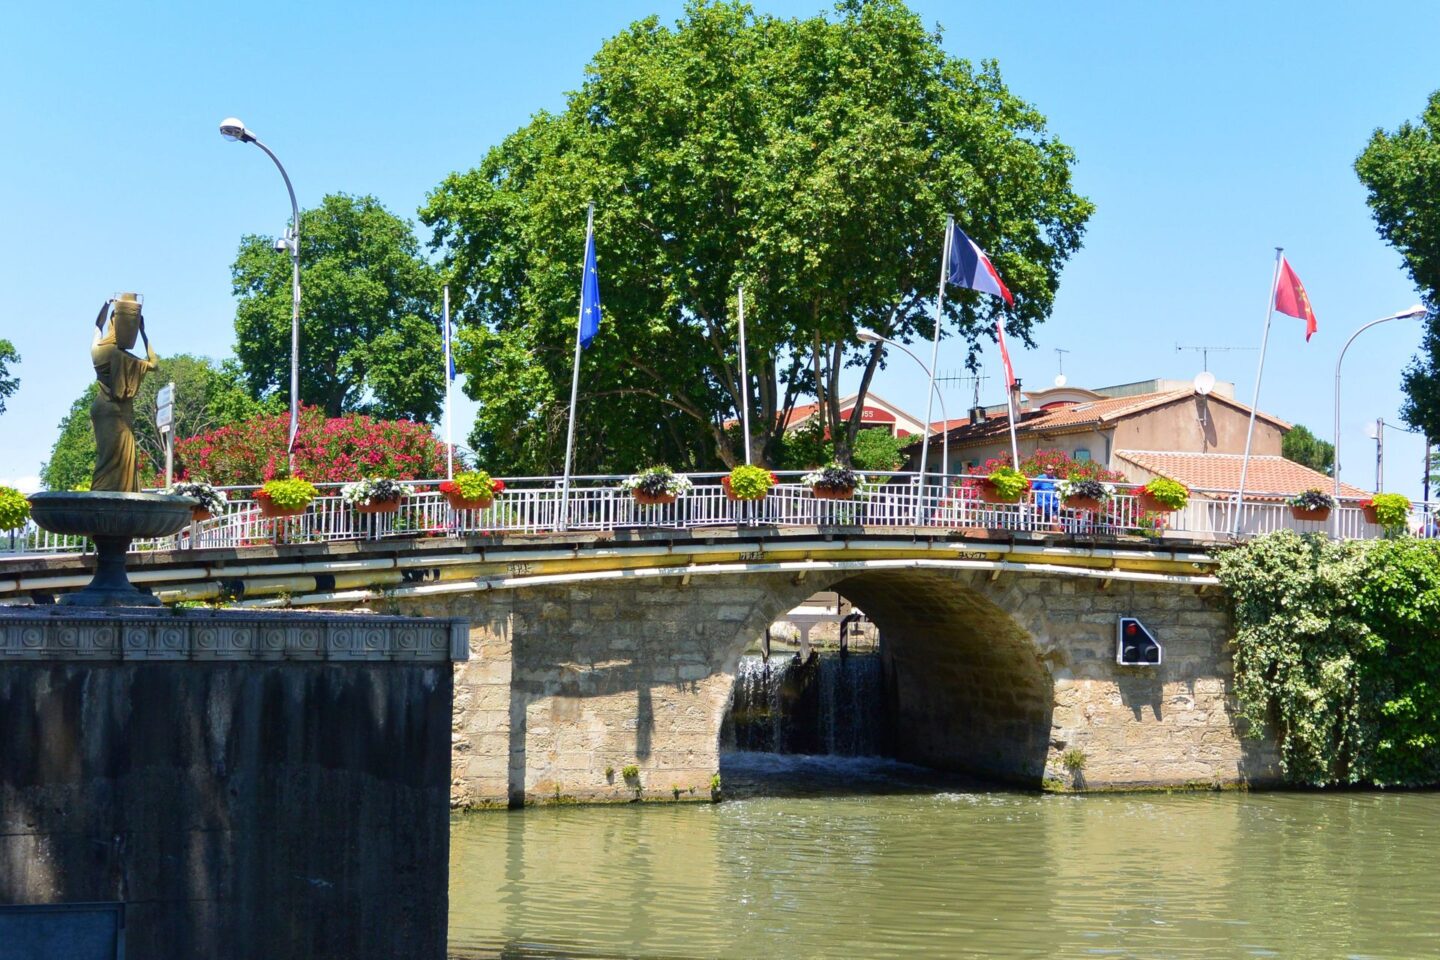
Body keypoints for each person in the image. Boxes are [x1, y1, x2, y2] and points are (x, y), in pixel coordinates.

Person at [90, 293, 158, 492]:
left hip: (101, 409)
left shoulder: (97, 349)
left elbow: (97, 326)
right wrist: (144, 333)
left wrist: (105, 303)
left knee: (105, 458)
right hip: (119, 412)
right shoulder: (123, 356)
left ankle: (98, 496)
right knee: (119, 459)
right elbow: (154, 363)